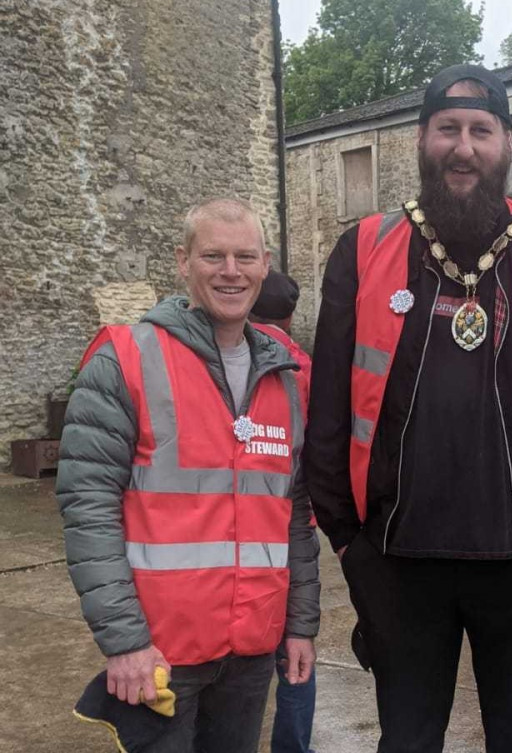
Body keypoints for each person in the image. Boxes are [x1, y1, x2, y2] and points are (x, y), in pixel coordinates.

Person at [305, 63, 512, 752]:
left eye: (481, 130)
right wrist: (346, 540)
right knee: (407, 741)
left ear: (507, 145)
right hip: (394, 562)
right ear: (421, 139)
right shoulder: (362, 250)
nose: (464, 147)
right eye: (447, 129)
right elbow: (328, 404)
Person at [56, 198, 321, 753]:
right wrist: (123, 642)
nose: (231, 271)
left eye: (245, 256)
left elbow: (292, 513)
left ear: (264, 264)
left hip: (250, 648)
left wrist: (299, 625)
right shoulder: (125, 359)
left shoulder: (284, 373)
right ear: (183, 261)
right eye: (213, 256)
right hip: (160, 652)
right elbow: (88, 509)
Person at [250, 270, 318, 753]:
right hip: (293, 518)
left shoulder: (225, 358)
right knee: (296, 646)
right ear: (291, 316)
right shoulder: (304, 367)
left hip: (233, 520)